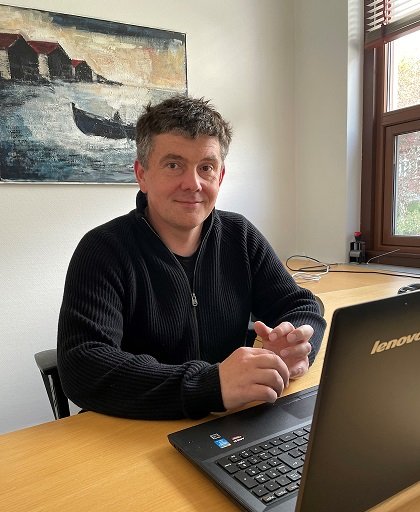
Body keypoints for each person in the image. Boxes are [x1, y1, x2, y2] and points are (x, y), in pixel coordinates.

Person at [57, 95, 326, 420]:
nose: (193, 184)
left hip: (228, 424)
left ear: (220, 177)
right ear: (142, 174)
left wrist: (296, 344)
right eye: (174, 165)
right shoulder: (103, 249)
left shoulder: (240, 236)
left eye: (206, 168)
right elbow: (83, 364)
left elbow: (301, 305)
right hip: (135, 428)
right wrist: (209, 385)